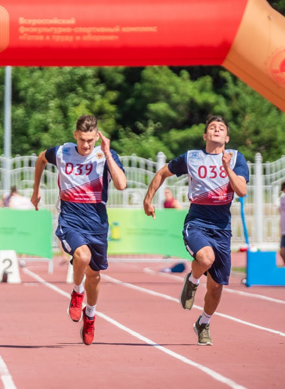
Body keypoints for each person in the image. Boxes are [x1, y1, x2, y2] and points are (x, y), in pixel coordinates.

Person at [143, 115, 249, 346]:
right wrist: (148, 199)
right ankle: (192, 279)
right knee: (206, 258)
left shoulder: (237, 158)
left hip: (222, 227)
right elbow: (162, 172)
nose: (217, 130)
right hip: (197, 221)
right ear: (205, 135)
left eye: (221, 128)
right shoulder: (192, 157)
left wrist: (226, 167)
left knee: (217, 287)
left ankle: (203, 323)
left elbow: (241, 190)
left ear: (227, 137)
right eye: (212, 127)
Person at [31, 115, 127, 346]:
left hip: (97, 221)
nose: (86, 145)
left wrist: (106, 152)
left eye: (90, 141)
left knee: (94, 276)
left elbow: (121, 185)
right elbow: (41, 159)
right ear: (75, 135)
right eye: (83, 140)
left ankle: (90, 316)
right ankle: (76, 293)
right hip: (71, 216)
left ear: (97, 137)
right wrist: (36, 190)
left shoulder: (105, 155)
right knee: (81, 255)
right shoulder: (62, 152)